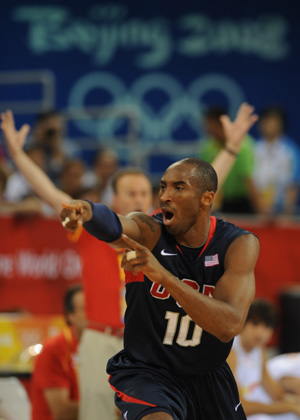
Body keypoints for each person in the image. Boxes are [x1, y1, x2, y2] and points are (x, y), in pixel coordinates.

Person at [1, 103, 258, 420]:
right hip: (109, 340)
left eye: (143, 192)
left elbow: (202, 184)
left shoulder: (164, 231)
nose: (142, 198)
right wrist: (19, 155)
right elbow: (55, 195)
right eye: (131, 193)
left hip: (174, 349)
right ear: (116, 199)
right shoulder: (101, 230)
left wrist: (231, 149)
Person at [227, 299, 300, 420]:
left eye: (267, 327)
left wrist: (293, 401)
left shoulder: (260, 350)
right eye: (255, 324)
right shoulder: (231, 351)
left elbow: (276, 394)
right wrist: (290, 407)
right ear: (244, 323)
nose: (261, 332)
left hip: (258, 405)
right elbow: (238, 405)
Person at [31, 284, 86, 420]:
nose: (91, 314)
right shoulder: (54, 349)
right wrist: (109, 406)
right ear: (70, 316)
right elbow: (61, 411)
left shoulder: (92, 347)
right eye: (85, 309)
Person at [199, 105, 259, 214]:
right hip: (223, 202)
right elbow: (207, 180)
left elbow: (248, 180)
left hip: (244, 201)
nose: (207, 128)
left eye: (209, 124)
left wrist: (260, 211)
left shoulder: (244, 147)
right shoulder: (208, 147)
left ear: (219, 124)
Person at [253, 105, 300, 216]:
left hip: (282, 212)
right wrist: (259, 209)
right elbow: (250, 182)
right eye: (267, 121)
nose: (270, 125)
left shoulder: (291, 151)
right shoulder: (254, 149)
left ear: (281, 125)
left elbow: (293, 185)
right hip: (256, 212)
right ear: (261, 124)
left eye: (274, 121)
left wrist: (287, 213)